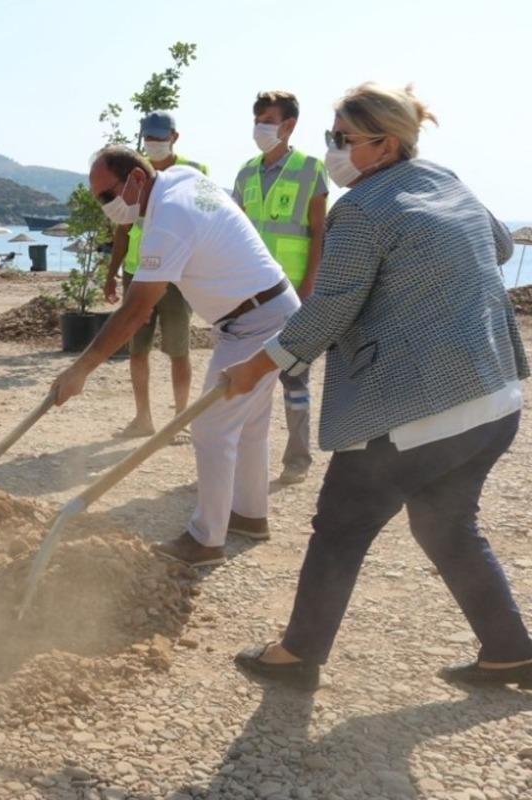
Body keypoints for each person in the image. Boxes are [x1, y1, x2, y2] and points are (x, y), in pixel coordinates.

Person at [226, 83, 532, 690]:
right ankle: (510, 651)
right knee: (445, 523)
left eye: (342, 139)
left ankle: (298, 654)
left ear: (384, 144)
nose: (333, 150)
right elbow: (497, 246)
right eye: (330, 137)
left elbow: (330, 308)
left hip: (418, 410)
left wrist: (257, 366)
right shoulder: (446, 180)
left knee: (341, 524)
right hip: (494, 397)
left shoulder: (361, 210)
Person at [52, 145, 299, 566]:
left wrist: (81, 369)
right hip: (270, 310)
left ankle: (205, 540)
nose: (106, 207)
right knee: (250, 425)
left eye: (106, 196)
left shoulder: (169, 217)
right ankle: (249, 516)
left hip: (254, 321)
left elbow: (136, 310)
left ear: (135, 179)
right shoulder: (181, 179)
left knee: (211, 429)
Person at [233, 91, 329, 485]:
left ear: (288, 125)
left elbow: (319, 232)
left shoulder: (311, 169)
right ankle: (241, 455)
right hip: (250, 293)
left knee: (294, 380)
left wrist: (309, 286)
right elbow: (234, 234)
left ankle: (298, 458)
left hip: (292, 294)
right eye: (257, 117)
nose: (260, 125)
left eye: (267, 118)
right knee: (247, 377)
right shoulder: (245, 173)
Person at [103, 111, 207, 440]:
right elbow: (122, 229)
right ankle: (142, 418)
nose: (153, 144)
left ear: (175, 137)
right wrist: (112, 274)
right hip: (138, 271)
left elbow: (205, 222)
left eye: (160, 138)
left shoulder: (195, 171)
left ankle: (180, 418)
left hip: (176, 274)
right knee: (137, 350)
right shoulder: (133, 174)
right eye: (148, 138)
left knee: (179, 349)